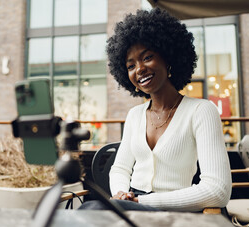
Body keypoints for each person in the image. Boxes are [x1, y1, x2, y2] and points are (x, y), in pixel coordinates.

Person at [80, 8, 232, 212]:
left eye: (147, 57)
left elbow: (218, 190)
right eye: (130, 65)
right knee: (88, 210)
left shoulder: (201, 111)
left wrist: (140, 203)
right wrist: (121, 194)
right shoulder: (135, 115)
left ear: (168, 58)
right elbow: (120, 168)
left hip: (173, 210)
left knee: (91, 211)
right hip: (131, 205)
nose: (139, 69)